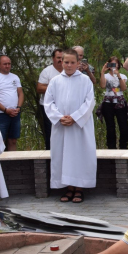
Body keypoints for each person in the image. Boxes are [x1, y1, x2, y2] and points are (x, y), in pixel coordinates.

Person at [45, 49, 97, 203]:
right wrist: (59, 117)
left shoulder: (85, 81)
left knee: (79, 156)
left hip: (79, 126)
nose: (68, 65)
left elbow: (89, 103)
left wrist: (74, 118)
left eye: (72, 62)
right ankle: (68, 187)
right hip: (61, 126)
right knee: (63, 156)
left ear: (78, 63)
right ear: (61, 62)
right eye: (65, 62)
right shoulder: (55, 81)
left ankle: (79, 188)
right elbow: (48, 103)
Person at [0, 56, 24, 151]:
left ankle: (13, 164)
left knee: (13, 140)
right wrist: (5, 110)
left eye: (9, 64)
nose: (7, 66)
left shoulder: (15, 77)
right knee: (0, 140)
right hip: (1, 114)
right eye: (5, 64)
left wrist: (18, 107)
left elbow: (20, 93)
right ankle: (0, 164)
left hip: (15, 113)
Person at [99, 56, 128, 150]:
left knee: (123, 126)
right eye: (111, 63)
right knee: (110, 127)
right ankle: (111, 148)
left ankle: (123, 146)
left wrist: (118, 75)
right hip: (108, 102)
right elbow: (103, 86)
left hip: (120, 102)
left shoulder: (123, 76)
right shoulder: (106, 76)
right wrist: (102, 72)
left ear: (119, 65)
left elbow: (123, 88)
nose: (114, 66)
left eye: (115, 63)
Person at [37, 48, 63, 150]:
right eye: (58, 58)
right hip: (48, 106)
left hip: (63, 106)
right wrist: (55, 88)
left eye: (62, 58)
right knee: (50, 132)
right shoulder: (47, 71)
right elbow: (39, 88)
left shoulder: (68, 71)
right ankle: (50, 155)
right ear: (53, 58)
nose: (60, 60)